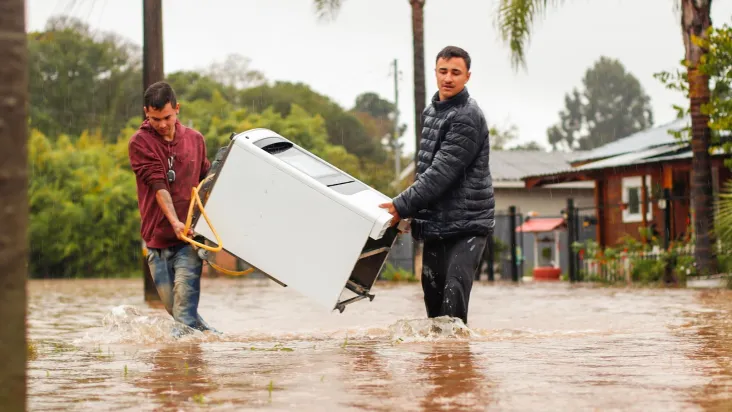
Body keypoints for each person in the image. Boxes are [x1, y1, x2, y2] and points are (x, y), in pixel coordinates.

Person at [380, 45, 495, 326]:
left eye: (456, 72)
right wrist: (412, 214)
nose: (448, 78)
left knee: (452, 308)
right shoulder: (431, 111)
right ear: (435, 73)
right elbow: (425, 168)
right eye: (443, 71)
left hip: (467, 225)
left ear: (467, 76)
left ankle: (460, 368)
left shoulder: (467, 116)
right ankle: (440, 369)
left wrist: (400, 204)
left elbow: (442, 172)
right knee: (434, 311)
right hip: (436, 225)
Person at [128, 81, 218, 336]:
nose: (162, 124)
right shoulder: (140, 143)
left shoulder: (195, 140)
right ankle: (214, 340)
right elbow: (158, 186)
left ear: (177, 109)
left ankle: (183, 370)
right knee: (175, 309)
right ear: (146, 112)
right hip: (157, 240)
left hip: (188, 240)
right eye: (155, 118)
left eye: (167, 117)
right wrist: (173, 221)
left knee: (184, 314)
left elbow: (206, 183)